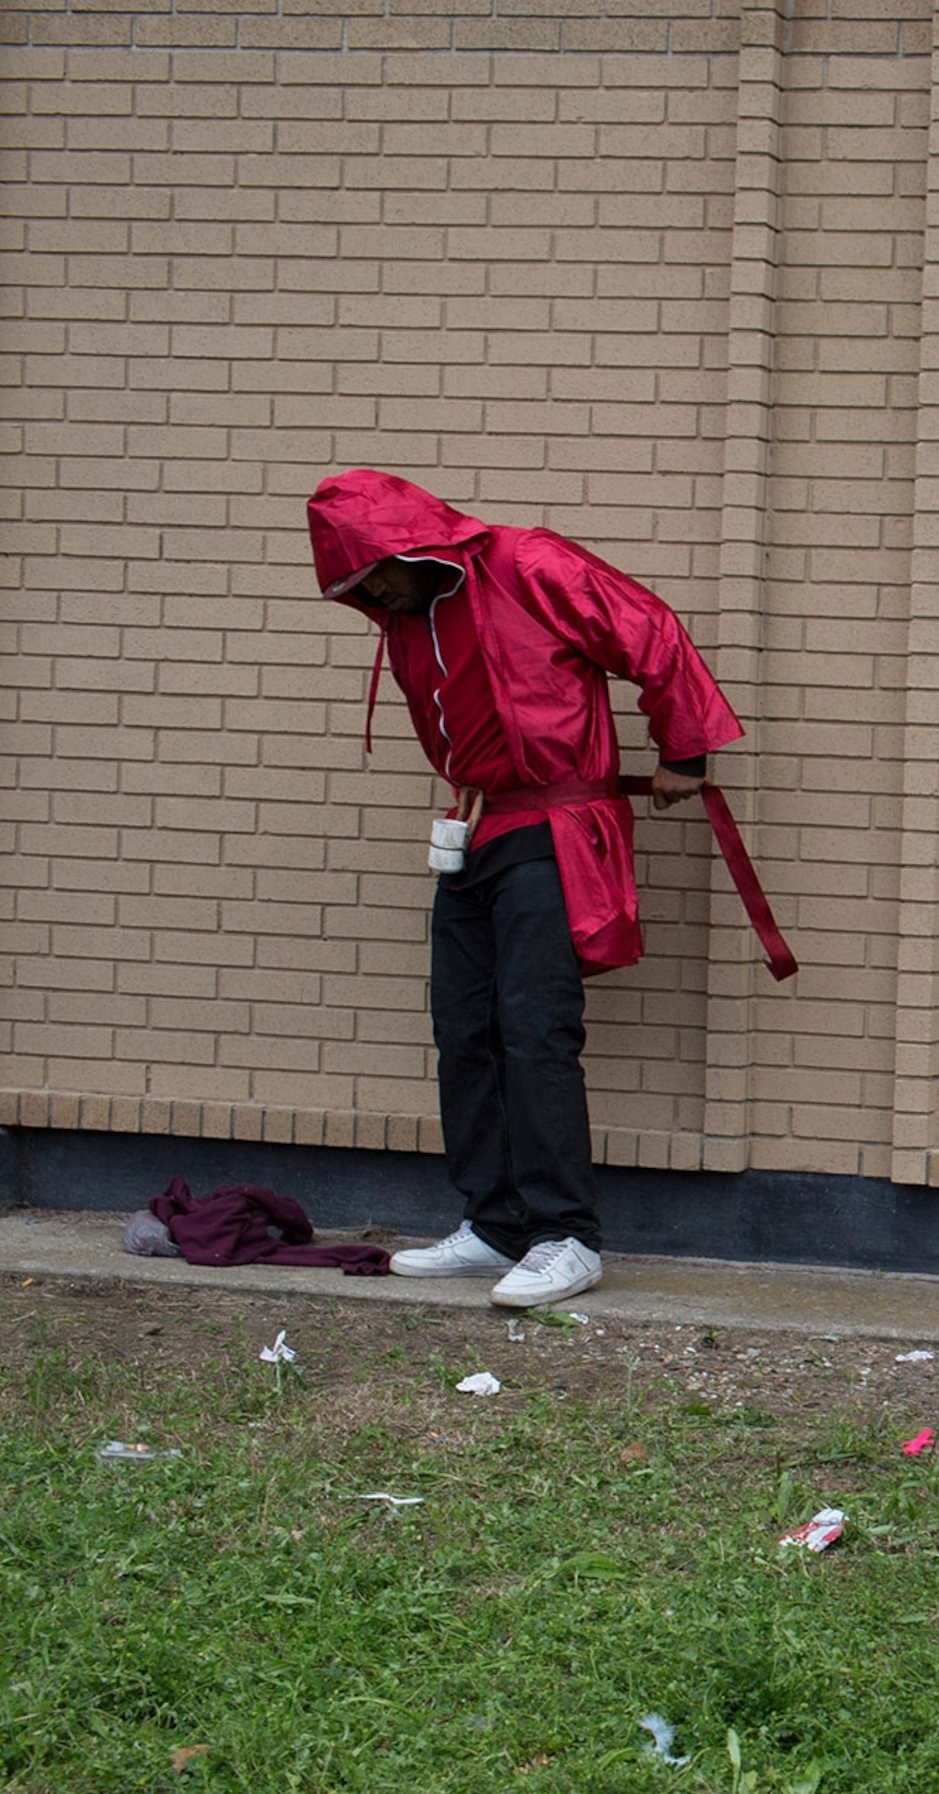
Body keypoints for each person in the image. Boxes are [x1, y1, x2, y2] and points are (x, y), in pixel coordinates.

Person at [307, 471, 745, 1311]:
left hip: (551, 826)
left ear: (408, 543)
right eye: (356, 585)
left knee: (535, 1029)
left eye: (374, 572)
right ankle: (495, 1223)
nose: (373, 593)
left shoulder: (527, 562)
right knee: (462, 1028)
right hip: (473, 830)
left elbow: (647, 630)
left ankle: (565, 1236)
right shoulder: (411, 613)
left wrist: (684, 752)